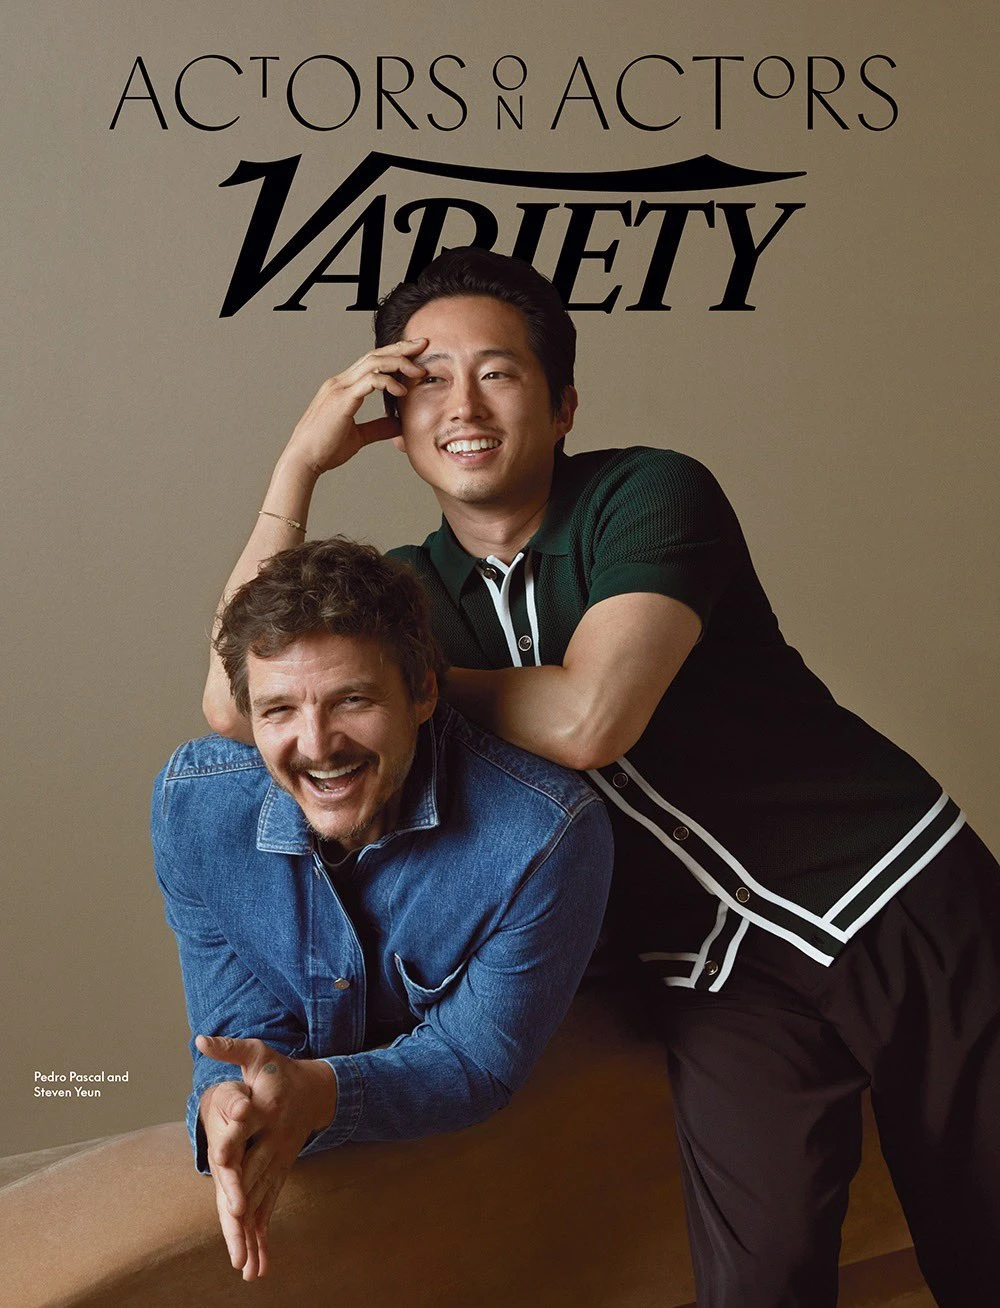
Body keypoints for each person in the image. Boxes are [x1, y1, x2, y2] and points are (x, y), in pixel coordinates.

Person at [202, 247, 1000, 1307]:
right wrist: (297, 468)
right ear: (394, 419)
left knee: (986, 1243)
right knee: (755, 1285)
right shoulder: (408, 589)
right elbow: (235, 706)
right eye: (428, 380)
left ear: (563, 404)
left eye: (499, 372)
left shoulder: (650, 492)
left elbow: (592, 719)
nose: (462, 404)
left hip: (895, 892)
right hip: (709, 975)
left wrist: (409, 687)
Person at [154, 535, 612, 1282]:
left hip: (533, 1167)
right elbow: (238, 1026)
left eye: (352, 700)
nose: (316, 745)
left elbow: (476, 1059)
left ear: (424, 692)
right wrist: (227, 1104)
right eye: (278, 710)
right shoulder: (195, 809)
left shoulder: (546, 836)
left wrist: (320, 1093)